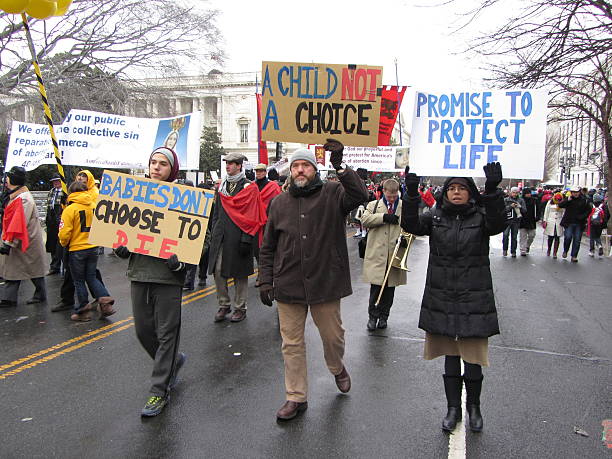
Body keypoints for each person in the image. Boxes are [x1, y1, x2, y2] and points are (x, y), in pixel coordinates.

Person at [258, 140, 369, 421]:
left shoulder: (333, 193)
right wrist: (265, 280)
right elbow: (268, 245)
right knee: (291, 344)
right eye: (295, 166)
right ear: (290, 171)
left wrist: (340, 165)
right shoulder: (279, 203)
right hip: (289, 283)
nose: (300, 170)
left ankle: (337, 367)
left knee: (333, 337)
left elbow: (360, 195)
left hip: (325, 281)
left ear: (314, 169)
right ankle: (296, 396)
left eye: (305, 165)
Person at [401, 163, 506, 433]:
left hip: (474, 297)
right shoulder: (435, 216)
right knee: (449, 354)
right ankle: (453, 409)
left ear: (471, 192)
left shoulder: (481, 216)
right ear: (445, 193)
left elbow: (498, 225)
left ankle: (474, 407)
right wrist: (411, 194)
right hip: (442, 296)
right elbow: (410, 225)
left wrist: (493, 191)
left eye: (461, 188)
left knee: (472, 358)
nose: (456, 192)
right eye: (451, 188)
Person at [113, 146, 187, 417]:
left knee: (168, 335)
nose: (156, 167)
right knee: (144, 331)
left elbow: (199, 240)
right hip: (140, 273)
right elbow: (124, 230)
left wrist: (180, 263)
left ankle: (159, 391)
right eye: (153, 162)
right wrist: (122, 248)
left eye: (163, 164)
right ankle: (173, 362)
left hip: (169, 278)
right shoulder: (134, 196)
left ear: (172, 170)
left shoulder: (186, 199)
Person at [208, 153, 267, 323]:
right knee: (218, 271)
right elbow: (217, 212)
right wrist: (214, 231)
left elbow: (253, 215)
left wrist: (247, 238)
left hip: (240, 235)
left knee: (239, 274)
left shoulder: (249, 187)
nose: (228, 166)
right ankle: (224, 304)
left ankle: (240, 308)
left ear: (239, 166)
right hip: (221, 235)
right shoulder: (222, 186)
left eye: (232, 163)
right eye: (227, 163)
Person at [58, 181, 115, 322]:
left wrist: (64, 244)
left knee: (78, 281)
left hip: (77, 248)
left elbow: (64, 234)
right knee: (91, 277)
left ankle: (83, 309)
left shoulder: (70, 209)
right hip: (93, 247)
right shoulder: (94, 206)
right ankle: (105, 302)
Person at [51, 170, 104, 313]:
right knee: (89, 275)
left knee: (79, 278)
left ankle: (83, 306)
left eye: (84, 176)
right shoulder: (83, 204)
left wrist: (63, 243)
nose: (80, 178)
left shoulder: (87, 200)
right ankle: (103, 299)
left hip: (77, 245)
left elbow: (65, 231)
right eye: (79, 176)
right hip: (90, 245)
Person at [360, 178, 407, 331]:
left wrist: (406, 240)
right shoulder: (374, 205)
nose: (392, 198)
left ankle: (384, 317)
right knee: (376, 289)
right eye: (389, 195)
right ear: (384, 192)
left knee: (390, 290)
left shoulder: (403, 206)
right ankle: (372, 317)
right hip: (377, 254)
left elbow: (411, 226)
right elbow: (364, 220)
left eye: (394, 195)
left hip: (394, 254)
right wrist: (383, 217)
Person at [0, 166, 47, 307]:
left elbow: (19, 223)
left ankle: (39, 294)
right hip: (18, 239)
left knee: (30, 269)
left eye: (8, 177)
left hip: (25, 240)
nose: (5, 180)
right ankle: (9, 298)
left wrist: (9, 243)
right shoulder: (16, 195)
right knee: (16, 268)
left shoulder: (23, 198)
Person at [558, 184, 592, 262]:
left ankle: (574, 255)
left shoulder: (584, 200)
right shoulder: (569, 199)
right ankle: (565, 250)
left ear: (579, 192)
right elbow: (560, 205)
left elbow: (589, 210)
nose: (575, 194)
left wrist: (583, 217)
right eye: (573, 192)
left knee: (577, 240)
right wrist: (567, 200)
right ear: (571, 192)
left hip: (579, 223)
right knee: (568, 237)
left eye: (577, 192)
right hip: (569, 222)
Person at [45, 175, 67, 275]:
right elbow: (48, 206)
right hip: (52, 219)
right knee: (52, 244)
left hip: (61, 218)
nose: (55, 183)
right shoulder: (51, 191)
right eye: (54, 181)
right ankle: (55, 266)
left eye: (57, 181)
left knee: (61, 244)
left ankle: (65, 265)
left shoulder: (65, 191)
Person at [502, 187, 525, 257]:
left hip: (516, 221)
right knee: (505, 235)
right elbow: (502, 210)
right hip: (507, 221)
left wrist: (520, 207)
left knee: (514, 237)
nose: (515, 194)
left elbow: (524, 210)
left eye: (516, 192)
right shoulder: (506, 200)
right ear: (510, 193)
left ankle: (513, 251)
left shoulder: (521, 200)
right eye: (513, 192)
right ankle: (505, 250)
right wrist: (510, 206)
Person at [542, 192, 565, 258]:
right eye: (557, 199)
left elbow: (564, 212)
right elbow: (546, 212)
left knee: (557, 237)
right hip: (551, 221)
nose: (558, 201)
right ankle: (549, 249)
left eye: (559, 200)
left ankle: (555, 252)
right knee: (550, 237)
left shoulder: (562, 203)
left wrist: (563, 221)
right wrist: (545, 220)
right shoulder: (550, 202)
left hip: (559, 221)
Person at [518, 187, 539, 256]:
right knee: (522, 236)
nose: (528, 194)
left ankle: (527, 245)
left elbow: (538, 209)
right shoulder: (520, 200)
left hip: (531, 220)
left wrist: (537, 216)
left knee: (532, 235)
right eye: (527, 193)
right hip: (522, 220)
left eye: (529, 193)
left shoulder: (534, 200)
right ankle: (523, 250)